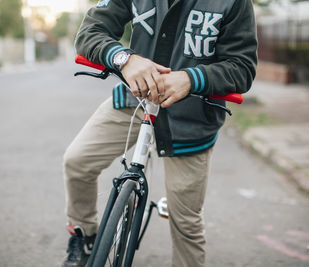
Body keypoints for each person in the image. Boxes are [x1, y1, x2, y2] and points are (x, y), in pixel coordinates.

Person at [62, 0, 257, 266]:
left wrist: (191, 78)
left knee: (185, 221)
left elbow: (242, 67)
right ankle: (85, 236)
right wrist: (124, 59)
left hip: (191, 118)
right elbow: (90, 33)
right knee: (77, 161)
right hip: (134, 101)